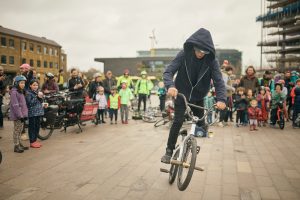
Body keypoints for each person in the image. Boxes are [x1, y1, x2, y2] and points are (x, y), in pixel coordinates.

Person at [161, 28, 226, 164]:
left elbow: (219, 81)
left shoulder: (212, 61)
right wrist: (170, 86)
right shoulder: (184, 54)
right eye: (198, 50)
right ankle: (169, 150)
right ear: (193, 46)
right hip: (181, 95)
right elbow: (168, 71)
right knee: (178, 121)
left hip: (198, 97)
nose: (200, 54)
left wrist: (221, 99)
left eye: (204, 52)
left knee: (202, 126)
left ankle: (190, 143)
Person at [9, 75, 29, 153]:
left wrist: (25, 115)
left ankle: (19, 144)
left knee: (20, 130)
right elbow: (15, 106)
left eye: (24, 83)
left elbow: (23, 105)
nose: (23, 84)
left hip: (22, 115)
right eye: (21, 83)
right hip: (18, 116)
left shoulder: (20, 91)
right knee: (17, 130)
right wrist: (20, 116)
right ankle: (16, 146)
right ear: (16, 83)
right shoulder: (14, 92)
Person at [26, 79, 44, 148]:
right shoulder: (28, 93)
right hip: (32, 113)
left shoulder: (37, 92)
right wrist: (37, 97)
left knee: (37, 127)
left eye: (36, 85)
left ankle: (35, 140)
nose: (35, 86)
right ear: (30, 85)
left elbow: (40, 101)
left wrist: (41, 99)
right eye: (34, 85)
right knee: (32, 127)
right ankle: (32, 142)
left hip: (38, 112)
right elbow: (29, 103)